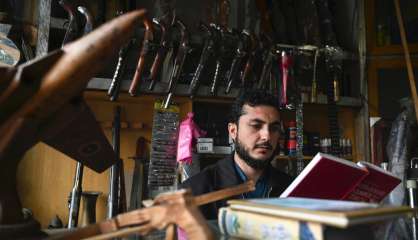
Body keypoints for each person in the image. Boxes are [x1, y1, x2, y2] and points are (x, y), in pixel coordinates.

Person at [181, 89, 293, 220]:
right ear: (233, 131)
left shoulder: (291, 189)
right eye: (256, 126)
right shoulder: (196, 191)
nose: (266, 136)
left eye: (274, 128)